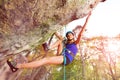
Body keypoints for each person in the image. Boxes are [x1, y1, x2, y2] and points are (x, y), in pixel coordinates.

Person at [7, 12, 91, 72]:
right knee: (61, 40)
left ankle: (18, 66)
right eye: (68, 35)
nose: (69, 36)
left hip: (67, 58)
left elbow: (81, 33)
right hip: (62, 55)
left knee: (46, 60)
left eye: (70, 35)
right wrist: (51, 28)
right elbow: (58, 36)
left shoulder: (75, 43)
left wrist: (87, 20)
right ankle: (48, 47)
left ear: (73, 36)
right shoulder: (65, 42)